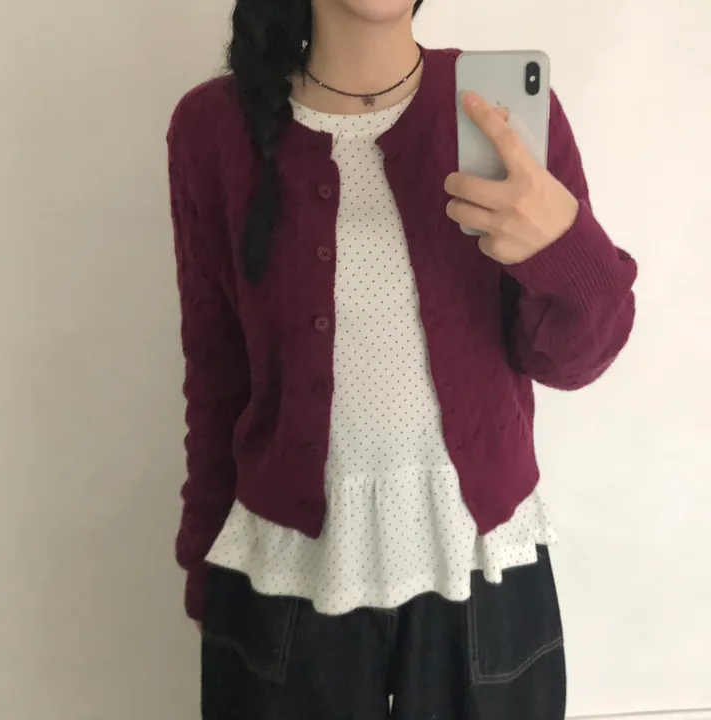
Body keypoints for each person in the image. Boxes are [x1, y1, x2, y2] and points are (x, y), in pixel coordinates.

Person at [166, 0, 637, 717]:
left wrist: (564, 245)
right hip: (286, 577)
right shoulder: (213, 127)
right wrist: (202, 561)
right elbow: (216, 369)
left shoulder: (501, 116)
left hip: (482, 573)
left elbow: (575, 361)